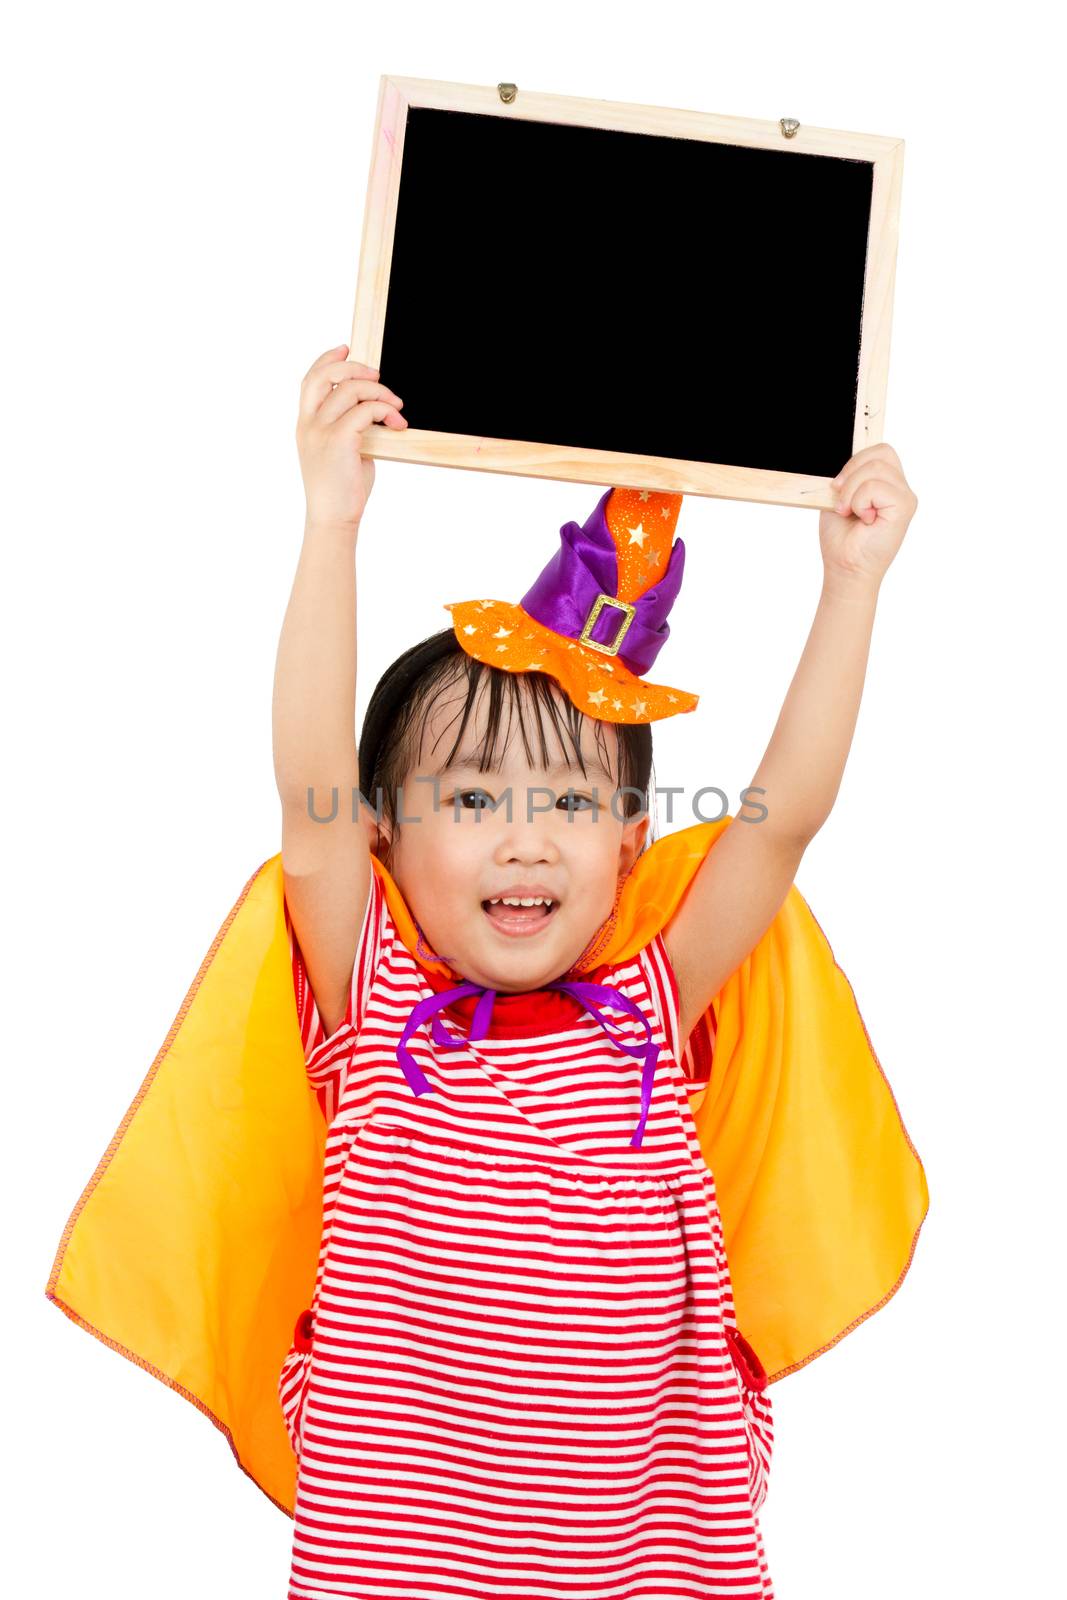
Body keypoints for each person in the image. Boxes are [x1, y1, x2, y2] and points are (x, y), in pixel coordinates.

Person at [268, 343, 923, 1598]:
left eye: (567, 799)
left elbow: (776, 822)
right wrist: (330, 520)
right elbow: (302, 791)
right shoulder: (375, 1000)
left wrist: (850, 587)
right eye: (470, 795)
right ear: (381, 835)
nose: (524, 833)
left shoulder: (647, 1003)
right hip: (392, 1571)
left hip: (642, 1565)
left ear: (627, 847)